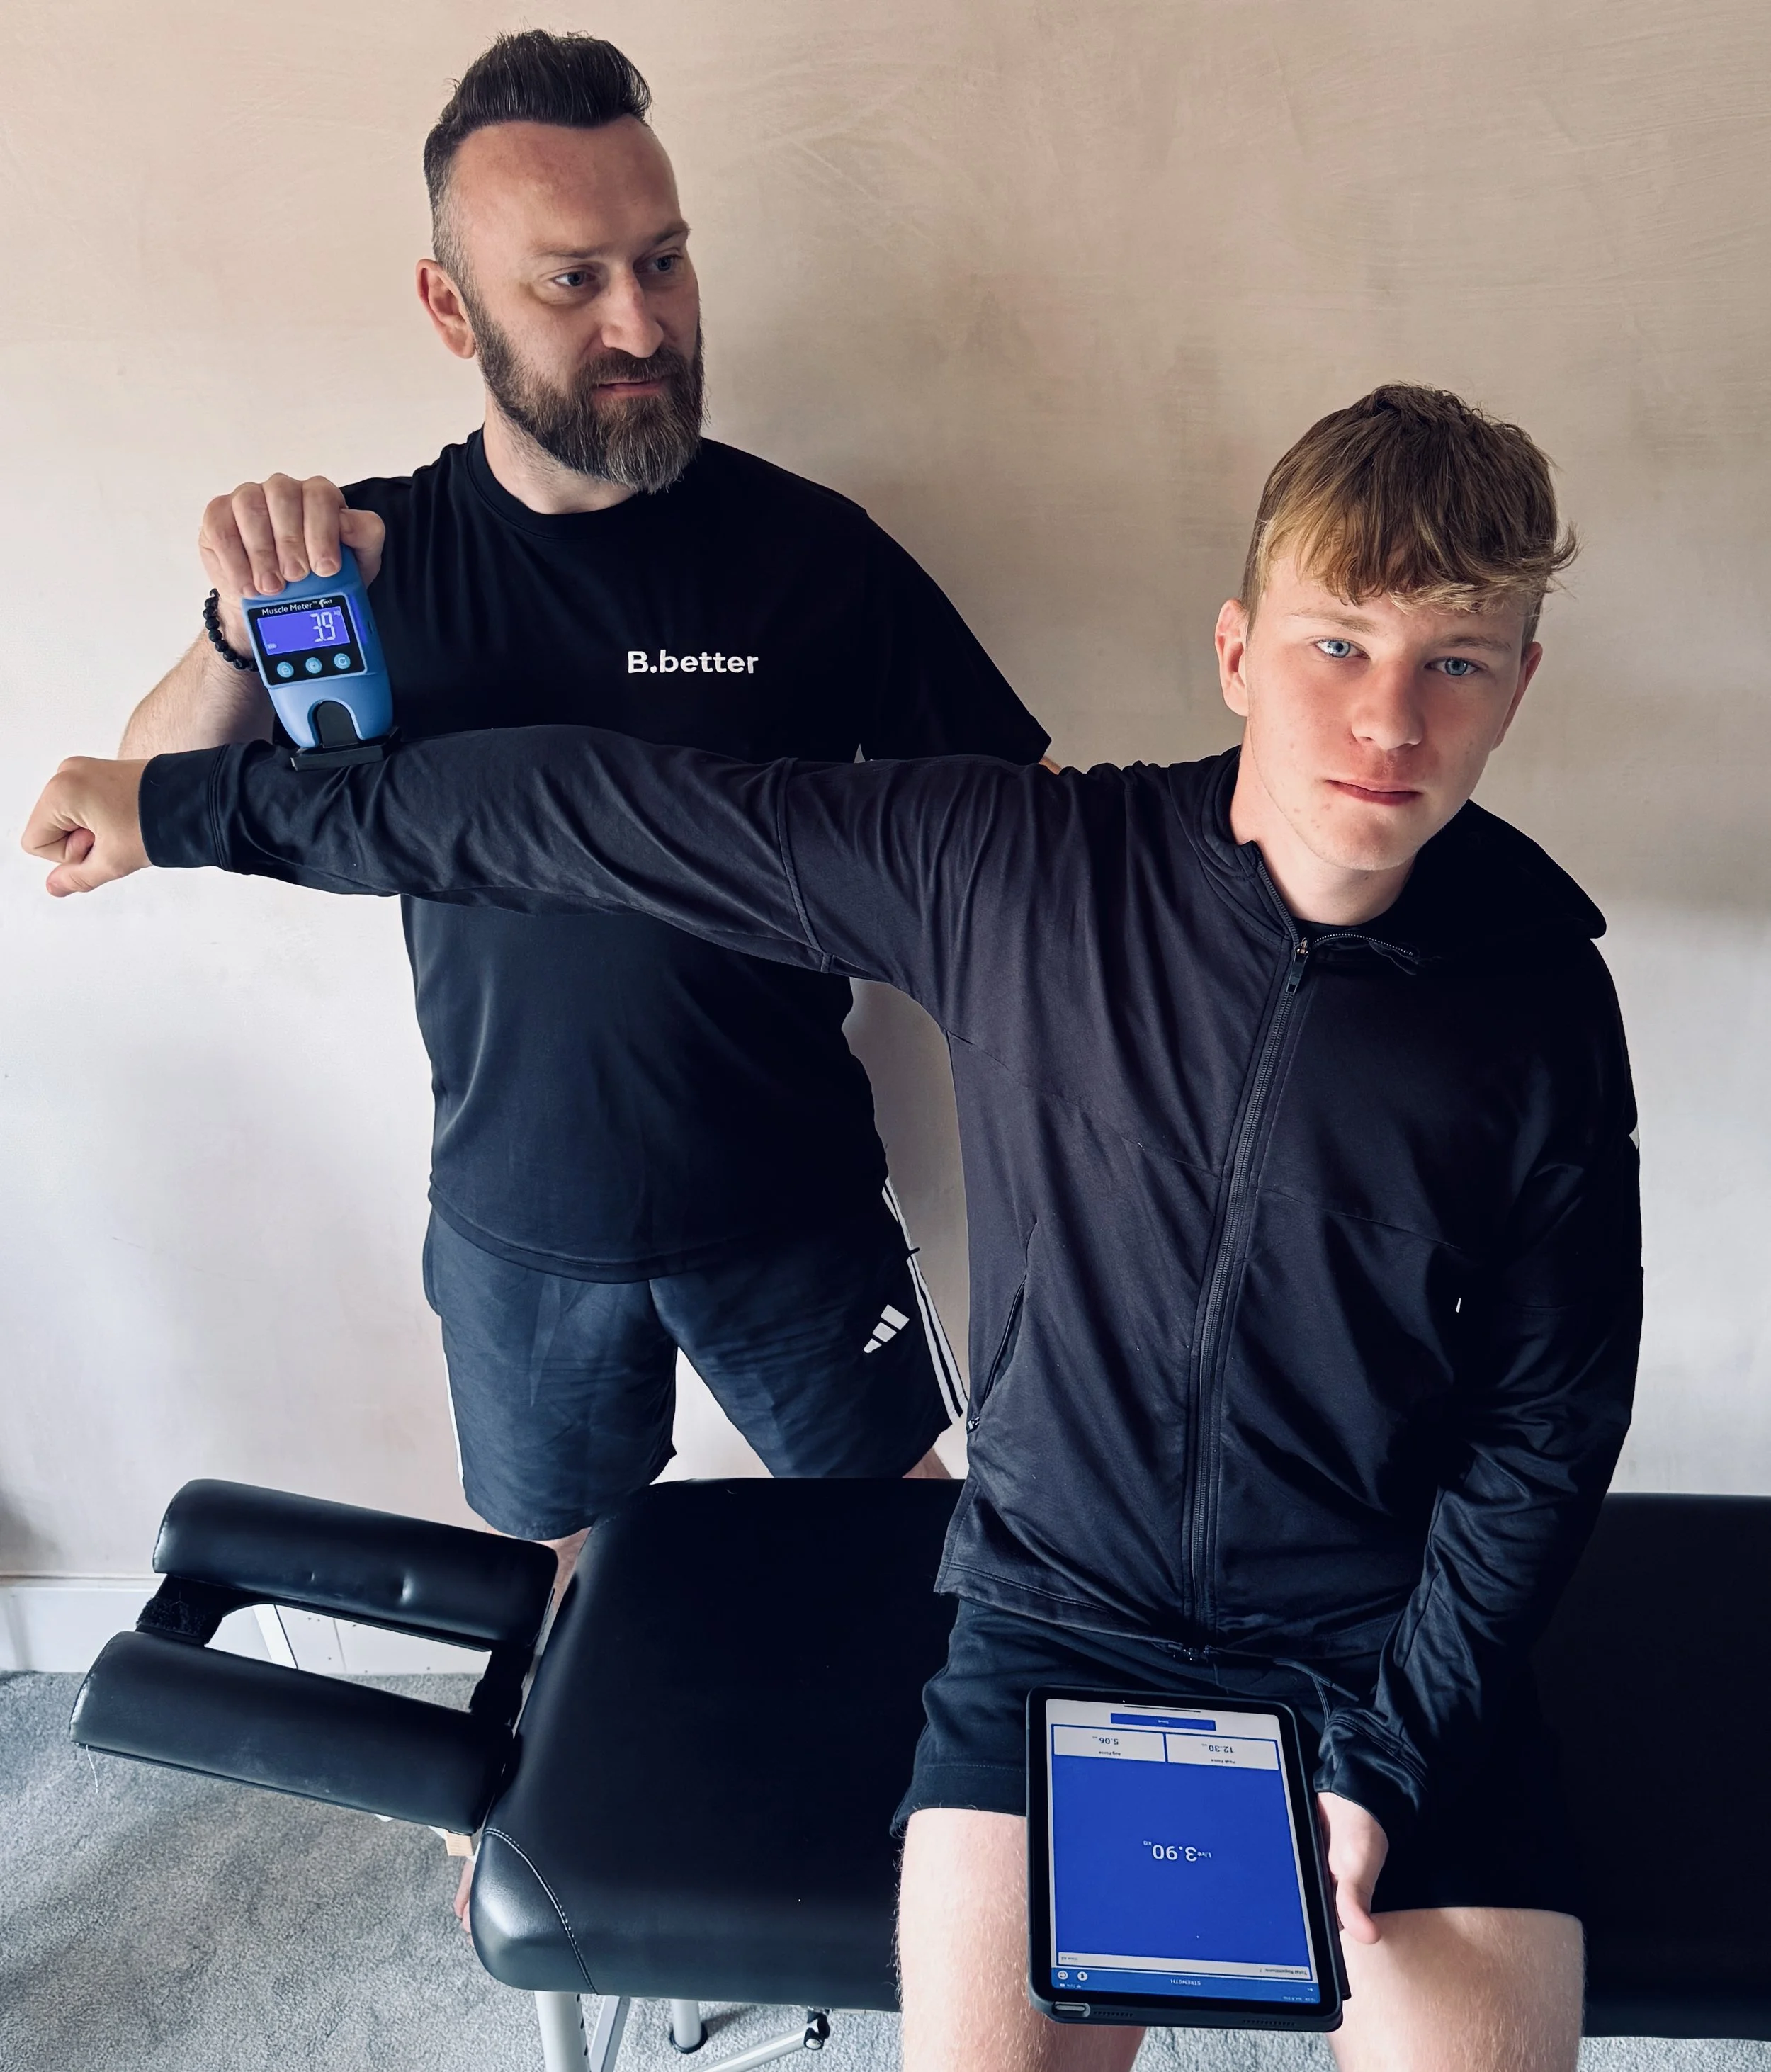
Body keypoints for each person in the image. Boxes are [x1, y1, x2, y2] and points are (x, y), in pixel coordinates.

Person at [29, 384, 1641, 2072]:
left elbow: (1542, 1424)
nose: (1385, 718)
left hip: (1374, 1631)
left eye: (1452, 659)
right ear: (1236, 649)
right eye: (1335, 644)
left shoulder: (1536, 1002)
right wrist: (186, 810)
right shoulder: (1017, 871)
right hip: (1057, 1614)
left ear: (1515, 684)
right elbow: (569, 811)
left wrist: (1390, 1756)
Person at [119, 31, 1053, 1592]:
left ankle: (926, 1824)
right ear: (449, 306)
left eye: (665, 263)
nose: (644, 322)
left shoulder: (809, 553)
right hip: (513, 1223)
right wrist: (234, 626)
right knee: (549, 1577)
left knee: (905, 1548)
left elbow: (1013, 843)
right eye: (571, 281)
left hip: (792, 1198)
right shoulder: (366, 565)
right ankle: (515, 1832)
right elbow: (139, 806)